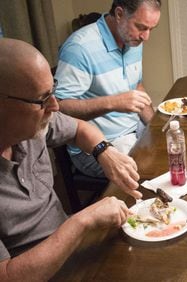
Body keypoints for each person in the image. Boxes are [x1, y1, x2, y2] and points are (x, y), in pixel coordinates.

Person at [0, 38, 144, 280]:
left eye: (53, 92)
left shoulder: (33, 125)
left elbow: (79, 129)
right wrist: (82, 221)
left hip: (73, 248)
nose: (55, 106)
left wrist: (104, 152)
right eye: (42, 99)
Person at [54, 0, 161, 178]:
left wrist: (155, 125)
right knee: (157, 171)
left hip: (134, 128)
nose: (146, 37)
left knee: (178, 143)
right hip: (97, 146)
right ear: (119, 14)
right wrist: (112, 103)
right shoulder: (80, 48)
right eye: (141, 27)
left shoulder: (133, 40)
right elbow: (58, 109)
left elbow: (137, 86)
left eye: (151, 29)